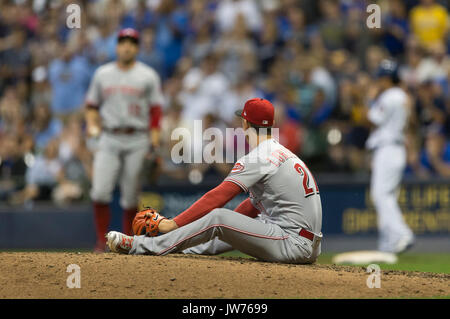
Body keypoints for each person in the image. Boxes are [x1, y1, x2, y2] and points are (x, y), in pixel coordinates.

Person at [106, 98, 323, 264]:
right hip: (305, 243)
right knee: (222, 224)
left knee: (219, 217)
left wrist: (172, 224)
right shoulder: (281, 153)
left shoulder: (259, 157)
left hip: (292, 243)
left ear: (245, 124)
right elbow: (249, 208)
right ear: (272, 124)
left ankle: (142, 245)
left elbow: (218, 197)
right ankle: (176, 248)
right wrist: (203, 230)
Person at [84, 28, 164, 252]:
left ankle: (128, 242)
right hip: (109, 136)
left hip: (137, 138)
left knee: (130, 197)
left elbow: (156, 112)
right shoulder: (102, 74)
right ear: (117, 46)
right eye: (123, 42)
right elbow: (91, 106)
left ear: (137, 48)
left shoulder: (147, 75)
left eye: (131, 42)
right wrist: (92, 125)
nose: (127, 46)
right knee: (99, 191)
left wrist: (155, 143)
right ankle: (102, 241)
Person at [365, 59, 415, 254]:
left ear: (388, 78)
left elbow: (372, 119)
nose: (380, 81)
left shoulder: (390, 95)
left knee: (381, 195)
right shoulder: (401, 95)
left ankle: (402, 234)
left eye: (382, 77)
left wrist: (370, 99)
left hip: (389, 149)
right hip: (394, 148)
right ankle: (388, 243)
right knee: (386, 196)